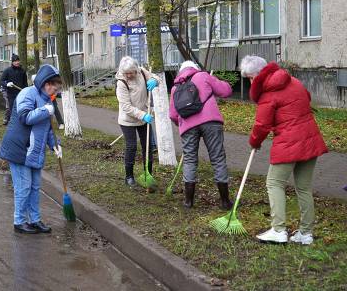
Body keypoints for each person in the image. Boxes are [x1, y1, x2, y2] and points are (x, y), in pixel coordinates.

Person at [240, 55, 328, 245]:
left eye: (249, 78)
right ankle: (306, 233)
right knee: (304, 187)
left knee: (274, 183)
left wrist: (254, 142)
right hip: (310, 138)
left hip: (289, 142)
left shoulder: (267, 93)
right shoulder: (294, 81)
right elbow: (307, 98)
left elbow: (262, 124)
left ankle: (278, 230)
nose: (249, 81)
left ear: (255, 76)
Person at [0, 64, 63, 234]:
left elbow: (48, 127)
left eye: (55, 86)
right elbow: (25, 117)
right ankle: (19, 221)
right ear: (43, 82)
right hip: (20, 148)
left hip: (34, 150)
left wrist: (55, 145)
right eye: (51, 85)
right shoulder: (27, 94)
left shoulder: (48, 99)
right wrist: (44, 110)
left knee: (35, 187)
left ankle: (35, 220)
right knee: (24, 187)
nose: (53, 89)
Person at [169, 60, 233, 209]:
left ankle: (188, 202)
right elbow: (226, 91)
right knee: (217, 158)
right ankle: (224, 201)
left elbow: (173, 114)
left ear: (181, 71)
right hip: (211, 122)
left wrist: (183, 125)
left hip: (188, 127)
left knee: (190, 160)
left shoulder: (175, 88)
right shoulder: (203, 76)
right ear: (194, 68)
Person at [115, 56, 160, 188]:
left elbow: (156, 77)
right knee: (132, 147)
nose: (128, 75)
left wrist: (154, 81)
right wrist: (143, 115)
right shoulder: (121, 82)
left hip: (144, 116)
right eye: (126, 73)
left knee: (148, 147)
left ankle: (148, 174)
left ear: (136, 70)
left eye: (131, 72)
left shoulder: (141, 71)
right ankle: (129, 177)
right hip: (128, 120)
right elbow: (126, 107)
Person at [0, 54, 28, 125]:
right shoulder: (7, 71)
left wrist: (26, 90)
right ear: (12, 62)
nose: (17, 62)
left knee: (21, 108)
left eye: (18, 60)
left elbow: (25, 82)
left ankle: (19, 122)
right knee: (12, 108)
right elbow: (1, 81)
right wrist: (7, 84)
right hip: (11, 93)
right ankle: (12, 122)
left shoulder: (22, 71)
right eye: (15, 61)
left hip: (21, 93)